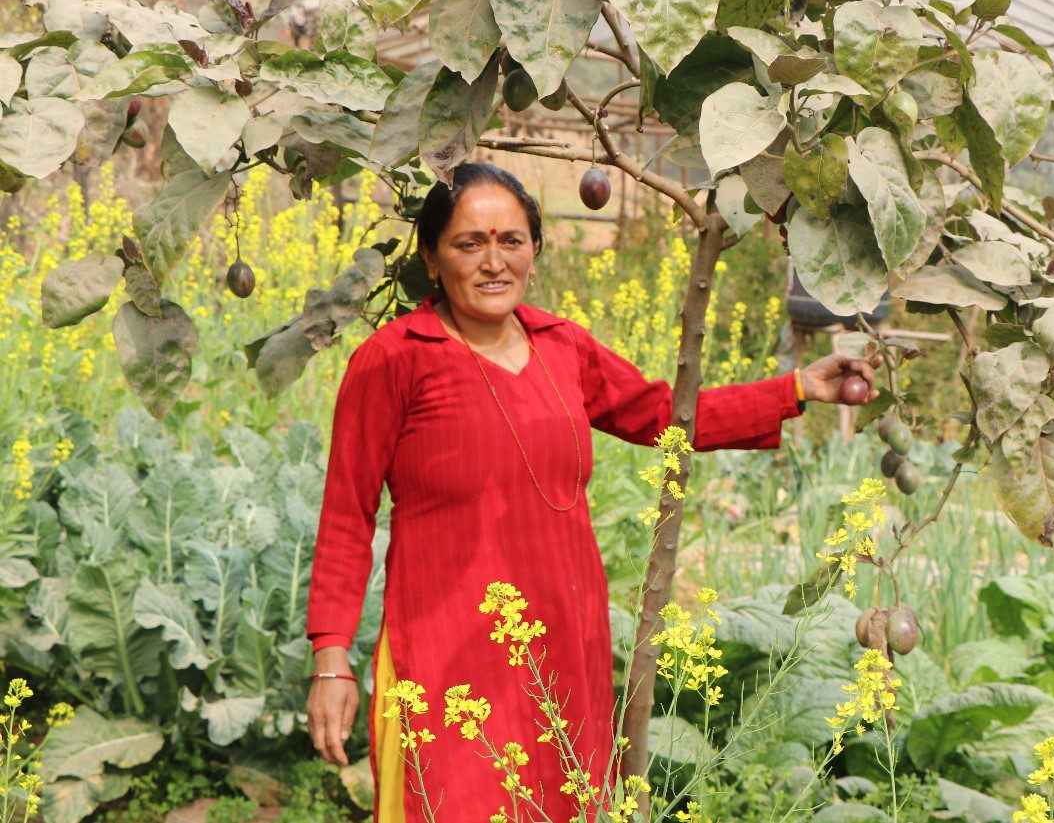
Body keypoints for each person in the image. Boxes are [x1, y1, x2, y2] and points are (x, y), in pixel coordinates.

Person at [304, 162, 882, 822]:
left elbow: (664, 413)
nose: (493, 261)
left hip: (561, 647)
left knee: (562, 804)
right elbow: (347, 514)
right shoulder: (395, 356)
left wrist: (798, 388)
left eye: (511, 240)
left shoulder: (563, 346)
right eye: (469, 244)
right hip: (442, 654)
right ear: (433, 260)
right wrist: (331, 662)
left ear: (535, 249)